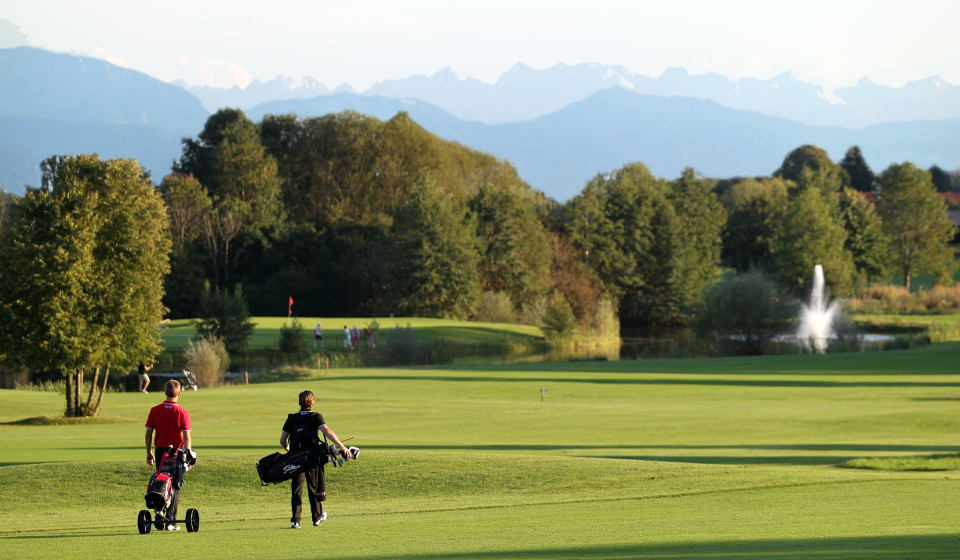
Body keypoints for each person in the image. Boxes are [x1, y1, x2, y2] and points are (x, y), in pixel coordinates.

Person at [280, 390, 352, 529]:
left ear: (299, 402)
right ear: (312, 402)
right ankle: (317, 517)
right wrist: (343, 447)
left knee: (296, 490)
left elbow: (282, 440)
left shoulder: (291, 418)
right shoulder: (316, 416)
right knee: (313, 488)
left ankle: (295, 521)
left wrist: (291, 452)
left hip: (295, 459)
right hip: (311, 458)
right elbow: (328, 432)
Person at [144, 380, 192, 530]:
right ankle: (170, 520)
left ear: (165, 392)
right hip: (176, 453)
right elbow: (187, 437)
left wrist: (148, 453)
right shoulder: (182, 412)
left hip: (160, 451)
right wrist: (187, 455)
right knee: (175, 485)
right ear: (179, 393)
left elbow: (148, 434)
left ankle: (160, 511)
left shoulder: (155, 410)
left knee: (162, 481)